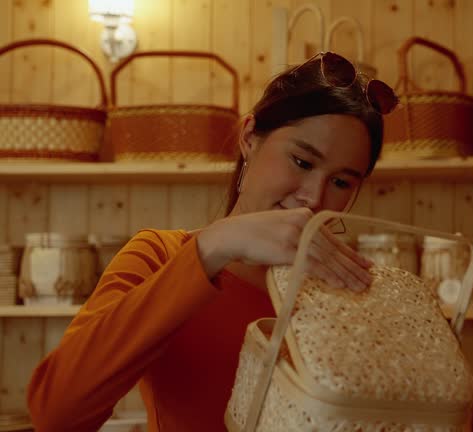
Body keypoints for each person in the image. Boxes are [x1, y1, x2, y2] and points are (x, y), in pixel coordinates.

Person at [26, 52, 398, 432]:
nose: (314, 197)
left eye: (341, 182)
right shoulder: (160, 256)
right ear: (250, 137)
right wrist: (214, 247)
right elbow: (56, 413)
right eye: (302, 162)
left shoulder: (352, 292)